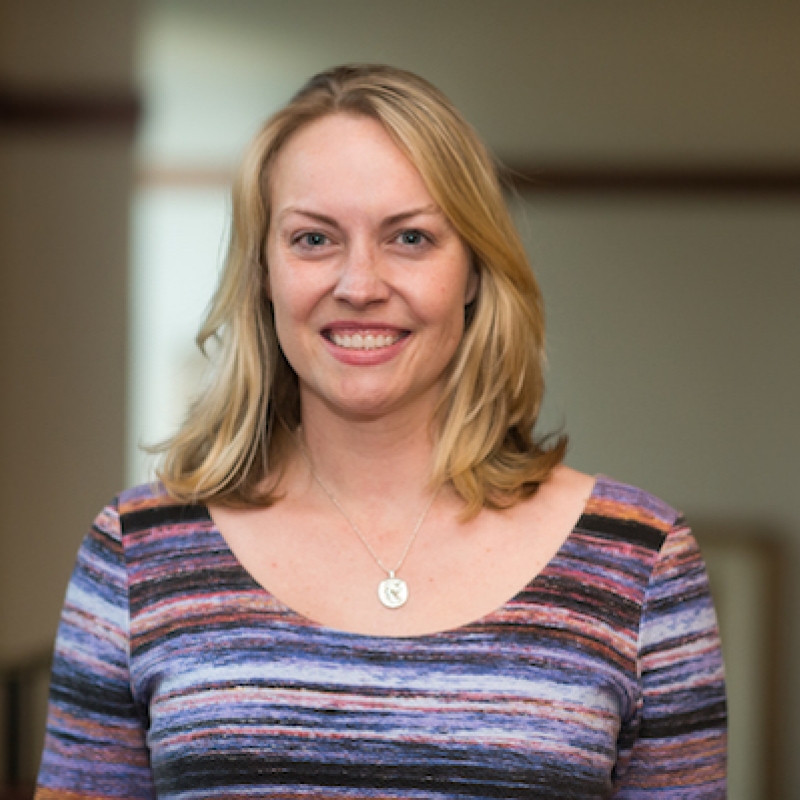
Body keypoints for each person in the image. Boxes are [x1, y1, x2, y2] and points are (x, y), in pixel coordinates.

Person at [36, 65, 726, 799]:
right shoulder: (136, 554)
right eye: (312, 238)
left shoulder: (641, 563)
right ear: (263, 272)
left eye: (410, 237)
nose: (360, 284)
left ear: (472, 271)